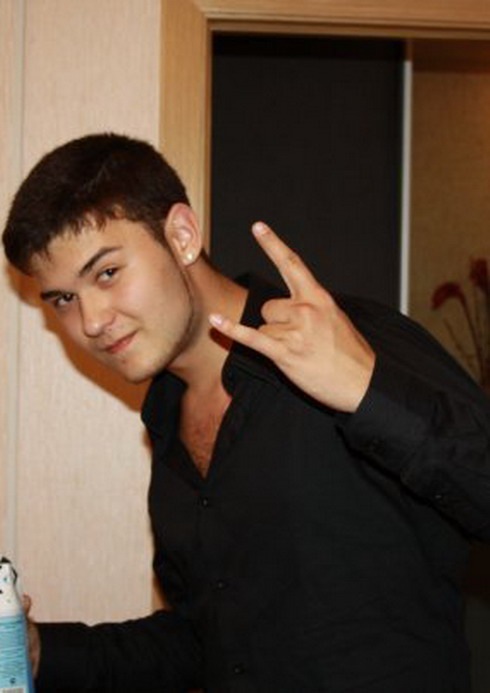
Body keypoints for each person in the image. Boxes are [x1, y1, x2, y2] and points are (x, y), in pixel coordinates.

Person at [2, 133, 490, 693]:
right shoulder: (166, 421)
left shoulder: (347, 343)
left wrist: (368, 391)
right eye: (64, 299)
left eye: (107, 273)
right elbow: (210, 641)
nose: (90, 321)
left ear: (182, 235)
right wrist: (42, 653)